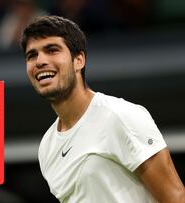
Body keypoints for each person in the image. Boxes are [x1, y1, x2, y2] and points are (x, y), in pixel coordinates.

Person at [20, 16, 185, 202]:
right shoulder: (46, 147)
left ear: (79, 60)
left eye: (52, 50)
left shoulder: (119, 115)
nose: (40, 61)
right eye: (31, 55)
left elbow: (175, 197)